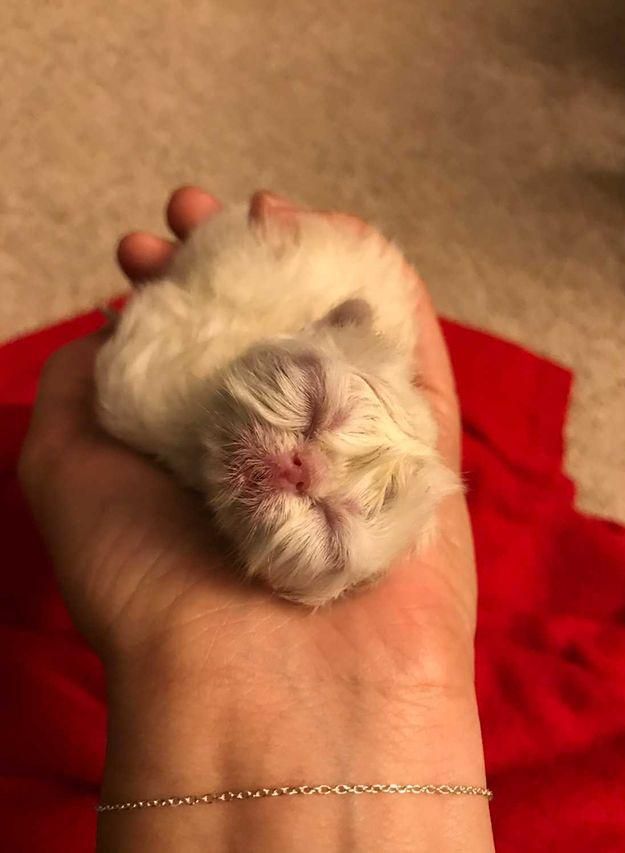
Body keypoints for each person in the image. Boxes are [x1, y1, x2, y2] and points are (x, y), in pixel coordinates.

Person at [18, 187, 495, 852]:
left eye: (328, 526)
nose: (303, 472)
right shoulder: (149, 386)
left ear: (315, 588)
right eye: (312, 407)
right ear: (321, 330)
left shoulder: (137, 394)